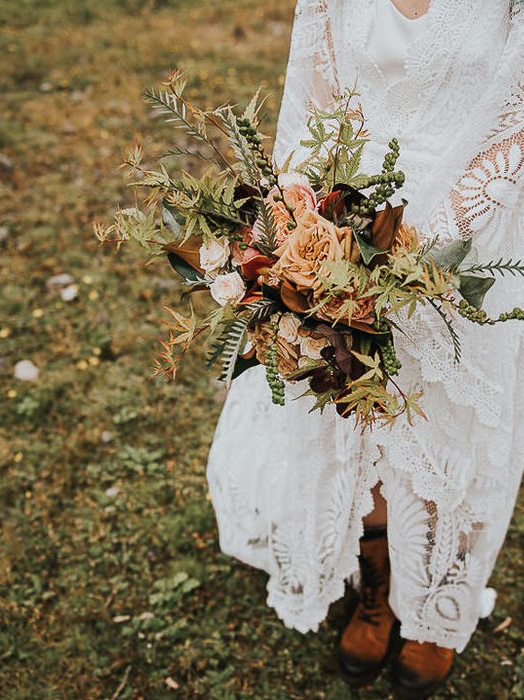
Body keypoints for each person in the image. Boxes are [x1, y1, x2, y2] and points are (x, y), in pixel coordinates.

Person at [206, 0, 524, 696]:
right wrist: (303, 226)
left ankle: (436, 606)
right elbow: (316, 103)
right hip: (348, 215)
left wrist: (426, 247)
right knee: (355, 414)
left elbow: (515, 118)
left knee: (446, 422)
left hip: (471, 226)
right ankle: (375, 588)